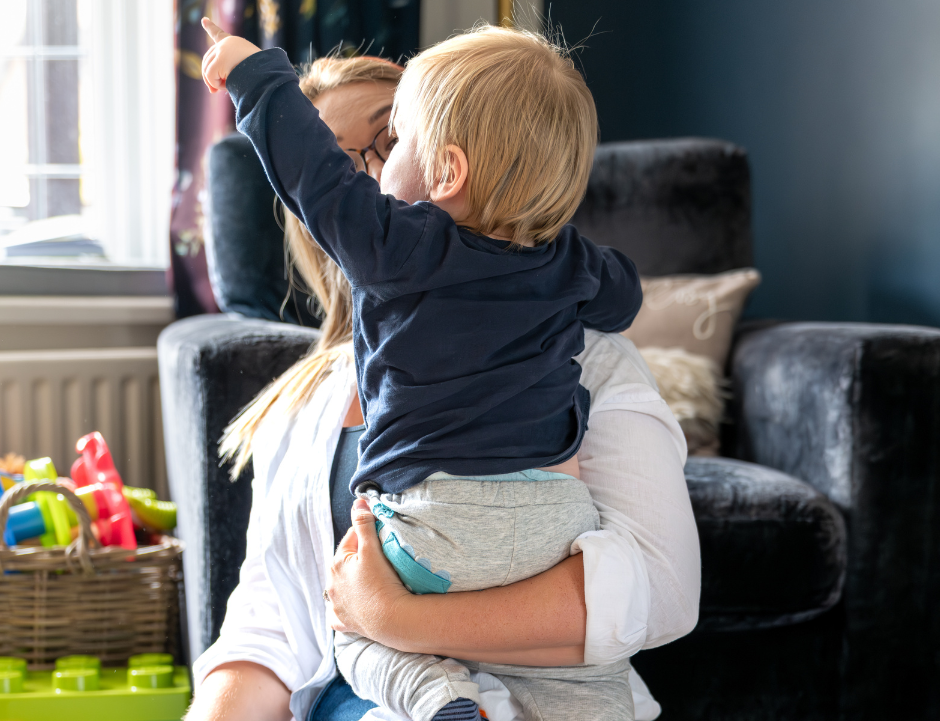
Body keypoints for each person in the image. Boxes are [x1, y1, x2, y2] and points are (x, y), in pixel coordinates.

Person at [187, 51, 700, 721]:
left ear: (451, 167)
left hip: (480, 688)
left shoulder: (583, 355)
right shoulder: (302, 403)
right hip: (364, 691)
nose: (368, 179)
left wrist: (394, 619)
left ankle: (440, 701)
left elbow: (663, 591)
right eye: (337, 161)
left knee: (370, 646)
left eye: (393, 137)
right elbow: (270, 622)